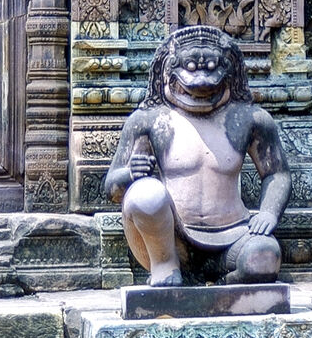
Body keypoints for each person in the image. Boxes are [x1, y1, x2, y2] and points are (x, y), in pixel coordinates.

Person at [105, 27, 288, 286]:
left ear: (231, 71)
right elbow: (112, 189)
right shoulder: (148, 121)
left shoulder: (250, 119)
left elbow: (277, 173)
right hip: (172, 239)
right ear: (166, 73)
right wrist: (130, 174)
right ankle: (166, 267)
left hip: (235, 234)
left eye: (212, 69)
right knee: (145, 194)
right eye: (190, 68)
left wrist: (269, 213)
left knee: (265, 257)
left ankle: (224, 285)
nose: (202, 82)